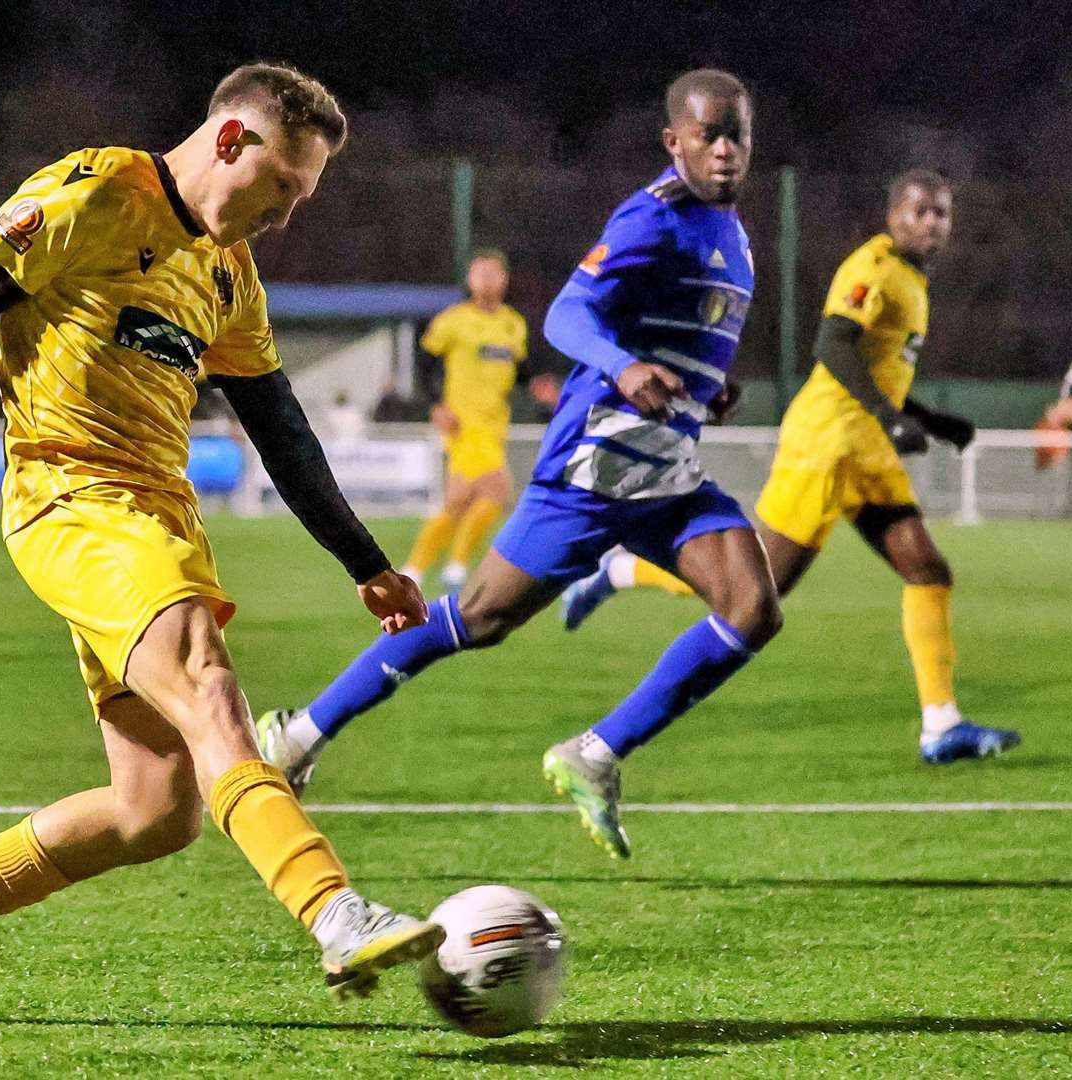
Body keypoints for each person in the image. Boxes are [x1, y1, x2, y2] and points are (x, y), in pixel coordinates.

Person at [0, 63, 440, 1022]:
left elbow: (277, 424)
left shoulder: (228, 273)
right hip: (69, 498)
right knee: (209, 685)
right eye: (283, 185)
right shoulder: (94, 192)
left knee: (156, 811)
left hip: (158, 521)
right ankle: (337, 916)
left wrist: (366, 562)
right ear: (233, 142)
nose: (285, 214)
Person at [259, 69, 780, 860]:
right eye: (707, 133)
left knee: (753, 608)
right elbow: (569, 312)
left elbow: (677, 333)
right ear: (673, 141)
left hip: (666, 473)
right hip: (593, 472)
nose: (724, 149)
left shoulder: (733, 235)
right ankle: (299, 735)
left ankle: (595, 754)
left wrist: (705, 386)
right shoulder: (652, 217)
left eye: (735, 133)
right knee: (475, 618)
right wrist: (625, 367)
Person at [562, 170, 1020, 766]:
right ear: (894, 215)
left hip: (866, 449)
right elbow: (832, 346)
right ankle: (619, 570)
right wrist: (891, 418)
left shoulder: (912, 279)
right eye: (921, 211)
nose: (933, 222)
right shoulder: (873, 269)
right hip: (826, 445)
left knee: (929, 571)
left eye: (942, 213)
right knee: (755, 591)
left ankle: (941, 724)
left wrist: (928, 419)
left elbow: (878, 370)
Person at [401, 250, 529, 590]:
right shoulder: (454, 319)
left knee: (460, 499)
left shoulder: (513, 323)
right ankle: (454, 566)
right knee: (498, 490)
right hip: (464, 423)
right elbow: (424, 362)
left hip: (495, 425)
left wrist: (538, 386)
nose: (486, 279)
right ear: (470, 279)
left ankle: (416, 568)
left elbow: (519, 372)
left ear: (504, 279)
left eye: (493, 273)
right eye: (480, 273)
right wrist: (435, 404)